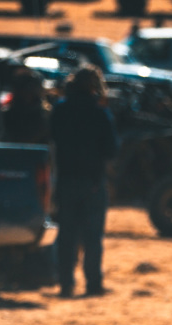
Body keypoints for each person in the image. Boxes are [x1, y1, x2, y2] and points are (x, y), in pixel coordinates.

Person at [50, 65, 119, 297]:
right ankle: (93, 283)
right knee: (92, 237)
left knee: (67, 236)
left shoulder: (61, 110)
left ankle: (66, 283)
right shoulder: (99, 113)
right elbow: (111, 150)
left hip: (66, 180)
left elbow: (51, 139)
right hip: (93, 182)